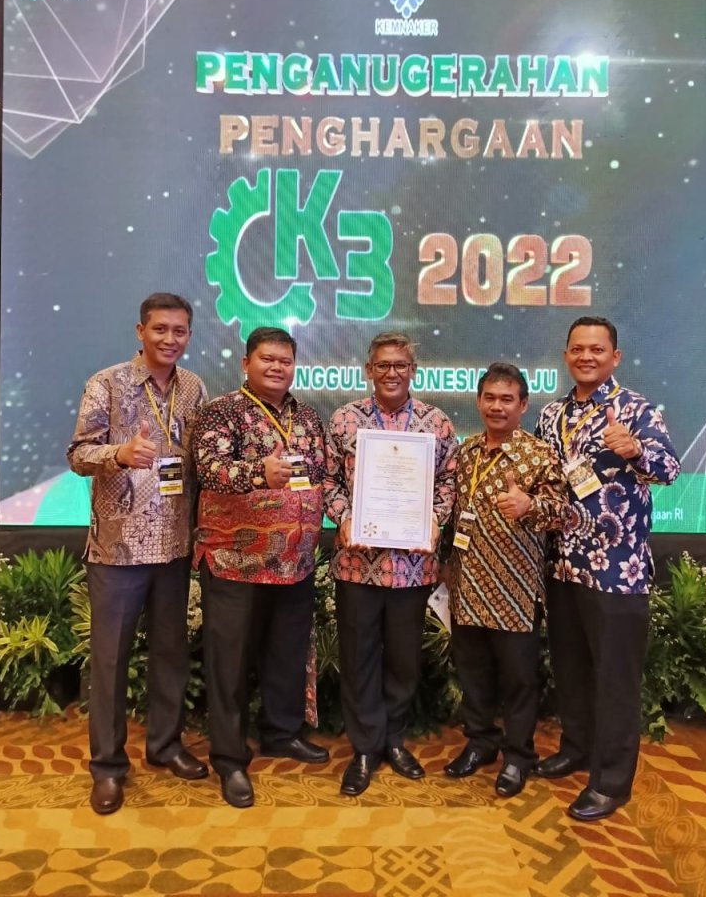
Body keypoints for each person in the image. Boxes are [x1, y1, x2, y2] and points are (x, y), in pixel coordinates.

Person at [67, 293, 209, 816]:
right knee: (110, 661)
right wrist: (119, 454)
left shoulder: (193, 387)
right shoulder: (106, 383)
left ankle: (165, 746)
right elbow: (78, 454)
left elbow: (198, 460)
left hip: (173, 545)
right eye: (160, 329)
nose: (170, 339)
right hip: (118, 548)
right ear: (140, 331)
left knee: (171, 655)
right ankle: (107, 768)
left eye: (180, 330)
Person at [535, 316, 681, 821]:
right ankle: (576, 749)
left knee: (615, 679)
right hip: (563, 566)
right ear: (566, 355)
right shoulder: (552, 415)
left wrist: (636, 449)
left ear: (615, 357)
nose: (587, 356)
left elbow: (670, 468)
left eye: (597, 349)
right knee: (571, 669)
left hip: (617, 571)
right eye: (578, 348)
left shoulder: (636, 409)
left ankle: (612, 781)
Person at [192, 326, 328, 809]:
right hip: (236, 562)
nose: (277, 367)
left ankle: (281, 733)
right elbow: (208, 469)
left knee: (285, 656)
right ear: (246, 363)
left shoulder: (307, 416)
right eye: (267, 359)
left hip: (295, 562)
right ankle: (229, 758)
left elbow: (321, 473)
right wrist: (257, 473)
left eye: (285, 361)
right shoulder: (222, 412)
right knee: (229, 665)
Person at [324, 331, 458, 797]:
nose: (392, 373)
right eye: (383, 365)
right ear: (368, 370)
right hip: (357, 565)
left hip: (412, 568)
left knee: (403, 660)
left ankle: (394, 740)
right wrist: (343, 518)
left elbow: (448, 483)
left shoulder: (436, 423)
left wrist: (435, 520)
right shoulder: (344, 420)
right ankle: (365, 748)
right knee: (359, 657)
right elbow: (328, 481)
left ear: (413, 371)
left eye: (400, 365)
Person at [442, 363, 567, 797]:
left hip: (515, 590)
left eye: (507, 399)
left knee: (518, 680)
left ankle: (518, 756)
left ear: (523, 404)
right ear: (479, 401)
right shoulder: (467, 451)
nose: (497, 407)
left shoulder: (539, 455)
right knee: (473, 674)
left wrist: (529, 505)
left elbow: (561, 513)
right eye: (490, 398)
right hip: (467, 586)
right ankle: (481, 742)